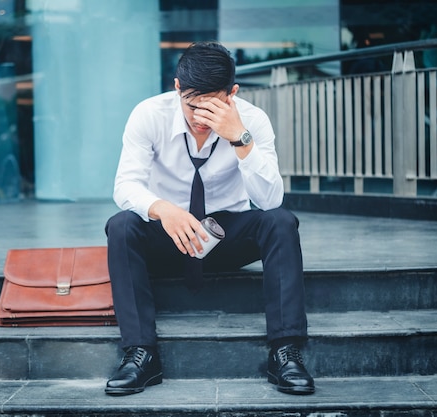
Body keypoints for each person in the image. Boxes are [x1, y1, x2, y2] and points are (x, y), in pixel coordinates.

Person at [104, 41, 314, 396]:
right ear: (177, 89)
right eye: (192, 105)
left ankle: (285, 351)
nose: (201, 118)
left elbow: (269, 199)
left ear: (232, 94)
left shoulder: (253, 121)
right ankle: (140, 353)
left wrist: (240, 139)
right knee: (121, 225)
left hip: (227, 235)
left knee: (281, 222)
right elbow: (126, 185)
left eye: (213, 106)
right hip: (169, 234)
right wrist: (163, 209)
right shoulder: (148, 115)